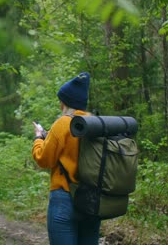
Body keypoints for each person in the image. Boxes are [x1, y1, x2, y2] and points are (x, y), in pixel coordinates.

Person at [32, 72, 101, 245]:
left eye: (61, 100)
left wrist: (38, 139)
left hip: (64, 198)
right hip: (92, 201)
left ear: (65, 102)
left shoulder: (63, 124)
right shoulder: (96, 124)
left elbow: (43, 159)